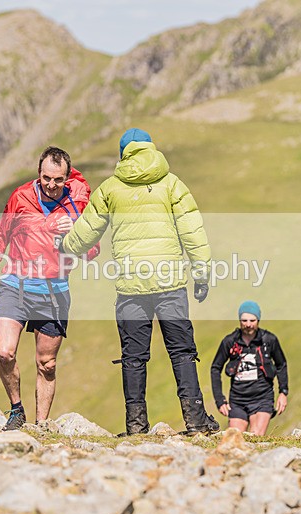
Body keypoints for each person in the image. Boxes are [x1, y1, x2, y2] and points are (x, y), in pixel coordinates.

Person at [58, 128, 219, 436]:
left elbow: (87, 230)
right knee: (182, 352)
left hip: (131, 288)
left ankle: (136, 427)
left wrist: (65, 246)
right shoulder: (172, 184)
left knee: (133, 358)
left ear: (123, 154)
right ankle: (196, 421)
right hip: (170, 285)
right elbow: (193, 232)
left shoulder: (110, 188)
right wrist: (202, 275)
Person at [0, 146, 98, 431]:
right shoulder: (20, 197)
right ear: (38, 174)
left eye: (58, 179)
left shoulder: (76, 205)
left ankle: (41, 426)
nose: (52, 185)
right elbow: (1, 236)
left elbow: (93, 252)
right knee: (5, 352)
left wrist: (73, 236)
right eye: (46, 178)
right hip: (14, 286)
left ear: (67, 178)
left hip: (54, 292)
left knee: (47, 364)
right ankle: (16, 410)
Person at [210, 301, 289, 435]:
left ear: (258, 320)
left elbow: (281, 364)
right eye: (244, 320)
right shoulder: (230, 341)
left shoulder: (269, 340)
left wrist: (283, 392)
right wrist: (219, 400)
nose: (248, 324)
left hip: (262, 398)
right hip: (238, 400)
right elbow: (215, 368)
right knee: (235, 437)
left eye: (252, 320)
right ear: (239, 320)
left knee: (255, 437)